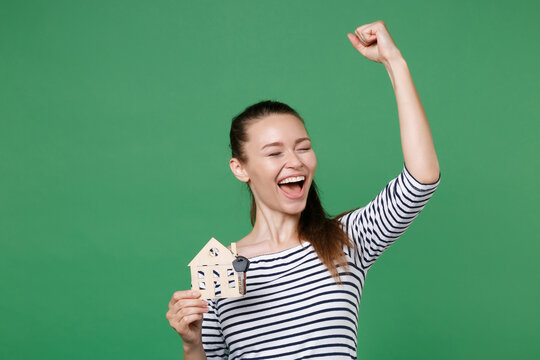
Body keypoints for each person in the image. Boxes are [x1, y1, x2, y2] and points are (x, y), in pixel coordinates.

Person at [166, 20, 441, 359]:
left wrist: (394, 63)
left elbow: (421, 178)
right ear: (240, 169)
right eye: (274, 152)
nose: (295, 161)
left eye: (303, 147)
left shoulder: (347, 239)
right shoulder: (218, 267)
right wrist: (191, 344)